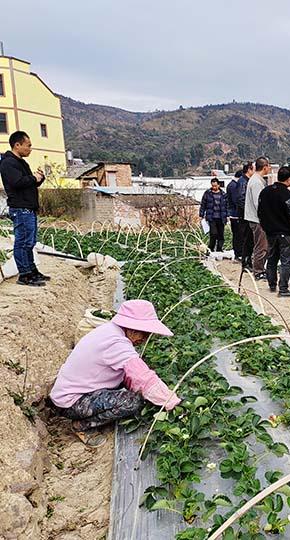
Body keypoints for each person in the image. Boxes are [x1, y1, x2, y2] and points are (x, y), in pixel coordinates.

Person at [49, 300, 181, 447]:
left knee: (129, 386)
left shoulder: (109, 330)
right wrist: (171, 402)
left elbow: (130, 376)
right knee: (132, 402)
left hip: (70, 391)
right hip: (71, 402)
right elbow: (143, 378)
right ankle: (82, 425)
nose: (144, 339)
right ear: (131, 328)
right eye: (143, 333)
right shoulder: (116, 343)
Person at [0, 131, 48, 287]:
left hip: (28, 208)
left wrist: (39, 178)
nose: (30, 149)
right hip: (20, 208)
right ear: (17, 145)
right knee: (22, 242)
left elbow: (28, 183)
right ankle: (25, 275)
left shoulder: (21, 163)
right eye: (28, 145)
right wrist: (33, 178)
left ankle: (32, 270)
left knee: (30, 242)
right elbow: (16, 182)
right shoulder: (8, 163)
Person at [257, 166, 290, 296]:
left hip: (270, 232)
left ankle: (272, 285)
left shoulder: (265, 192)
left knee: (272, 258)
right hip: (286, 234)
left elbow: (260, 213)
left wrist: (265, 227)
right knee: (286, 261)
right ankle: (283, 289)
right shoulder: (288, 195)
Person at [245, 156, 271, 279]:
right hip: (257, 219)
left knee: (262, 245)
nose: (269, 168)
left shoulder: (257, 180)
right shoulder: (256, 182)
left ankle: (260, 269)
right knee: (261, 246)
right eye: (269, 166)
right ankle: (258, 271)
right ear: (265, 167)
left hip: (257, 218)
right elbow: (258, 203)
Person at [227, 162, 255, 268]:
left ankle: (246, 260)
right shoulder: (243, 182)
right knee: (245, 238)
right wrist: (249, 211)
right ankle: (245, 261)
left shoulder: (245, 181)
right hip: (244, 215)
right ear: (249, 169)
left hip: (245, 214)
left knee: (248, 239)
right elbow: (241, 199)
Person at [199, 177, 228, 252]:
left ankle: (219, 249)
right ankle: (211, 249)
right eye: (212, 186)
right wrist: (201, 215)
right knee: (213, 234)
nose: (214, 187)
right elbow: (203, 204)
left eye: (215, 186)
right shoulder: (207, 193)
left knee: (221, 235)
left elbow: (226, 206)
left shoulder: (223, 194)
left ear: (218, 185)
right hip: (211, 217)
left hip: (221, 217)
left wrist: (227, 215)